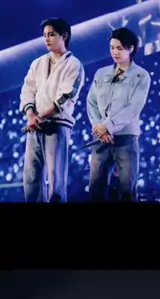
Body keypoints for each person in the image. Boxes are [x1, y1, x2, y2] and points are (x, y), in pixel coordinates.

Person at [19, 17, 85, 202]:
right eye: (45, 35)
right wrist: (30, 114)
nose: (47, 39)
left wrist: (40, 116)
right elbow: (27, 89)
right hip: (34, 126)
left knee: (55, 182)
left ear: (64, 36)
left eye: (51, 34)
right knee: (31, 179)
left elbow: (66, 96)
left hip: (57, 126)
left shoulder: (74, 64)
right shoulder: (37, 63)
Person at [86, 28, 151, 201]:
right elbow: (91, 102)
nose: (115, 52)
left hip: (126, 138)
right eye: (112, 48)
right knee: (95, 187)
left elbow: (134, 107)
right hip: (100, 138)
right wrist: (98, 127)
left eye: (120, 48)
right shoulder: (101, 73)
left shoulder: (141, 75)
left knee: (127, 189)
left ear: (131, 48)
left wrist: (108, 126)